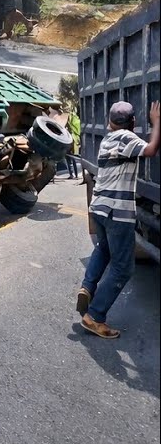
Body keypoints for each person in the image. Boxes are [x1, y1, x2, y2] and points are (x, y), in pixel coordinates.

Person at [76, 100, 160, 338]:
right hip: (117, 213)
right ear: (132, 122)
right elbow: (151, 150)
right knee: (123, 268)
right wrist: (156, 123)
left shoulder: (107, 139)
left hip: (99, 207)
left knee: (104, 249)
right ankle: (94, 317)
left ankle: (88, 287)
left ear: (109, 122)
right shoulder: (127, 138)